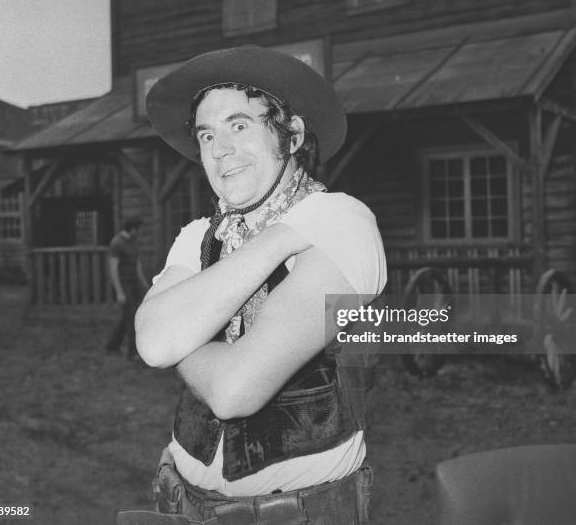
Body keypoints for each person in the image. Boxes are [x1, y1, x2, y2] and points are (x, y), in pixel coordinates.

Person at [134, 46, 387, 523]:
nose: (219, 149)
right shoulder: (198, 235)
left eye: (239, 125)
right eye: (207, 134)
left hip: (299, 514)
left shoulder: (344, 220)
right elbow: (151, 341)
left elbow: (235, 391)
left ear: (291, 136)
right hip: (178, 502)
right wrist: (281, 240)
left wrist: (185, 332)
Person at [106, 216, 149, 358]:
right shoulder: (117, 243)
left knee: (127, 317)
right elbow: (113, 268)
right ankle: (133, 353)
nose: (141, 232)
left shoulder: (134, 242)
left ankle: (112, 345)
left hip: (134, 283)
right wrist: (119, 292)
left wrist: (144, 284)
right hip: (124, 286)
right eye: (139, 229)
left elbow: (137, 265)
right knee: (132, 319)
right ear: (133, 229)